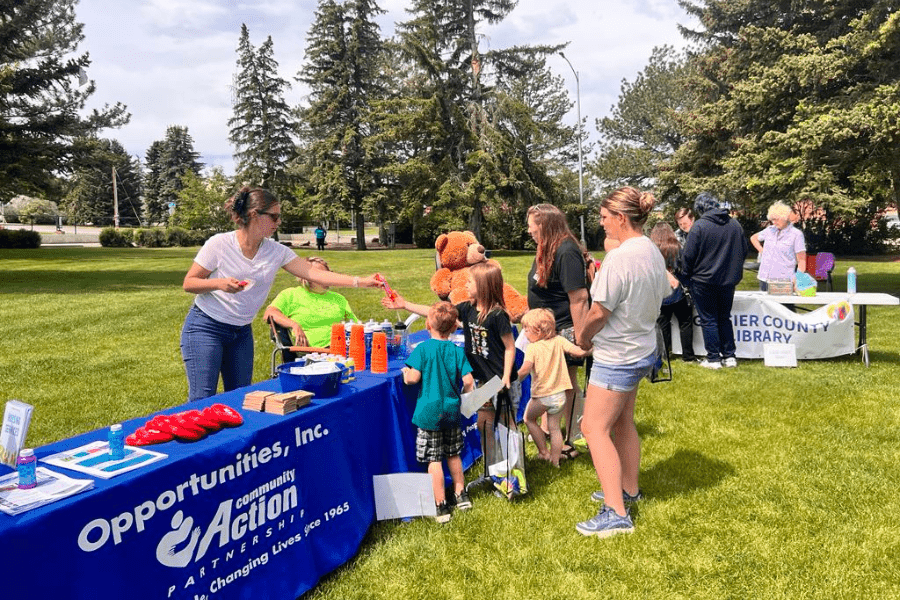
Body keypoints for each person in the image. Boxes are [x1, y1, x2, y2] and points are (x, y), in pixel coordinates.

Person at [180, 187, 380, 402]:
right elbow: (189, 283)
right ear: (255, 214)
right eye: (274, 216)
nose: (279, 221)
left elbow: (315, 274)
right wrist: (220, 283)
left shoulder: (276, 251)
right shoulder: (219, 244)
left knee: (239, 398)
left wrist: (361, 281)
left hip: (241, 332)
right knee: (203, 398)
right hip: (206, 326)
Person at [574, 186, 670, 538]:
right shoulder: (650, 250)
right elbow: (664, 293)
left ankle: (616, 513)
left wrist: (582, 338)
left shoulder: (620, 257)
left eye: (603, 218)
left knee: (592, 428)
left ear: (620, 218)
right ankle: (628, 490)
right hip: (641, 349)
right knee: (622, 423)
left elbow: (599, 311)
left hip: (617, 355)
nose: (602, 225)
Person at [382, 261, 521, 489]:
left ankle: (513, 473)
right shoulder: (466, 309)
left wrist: (506, 377)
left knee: (506, 427)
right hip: (482, 382)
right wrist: (404, 304)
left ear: (484, 286)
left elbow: (509, 347)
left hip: (501, 382)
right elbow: (438, 314)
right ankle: (493, 472)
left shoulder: (498, 316)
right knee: (483, 425)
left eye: (470, 282)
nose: (465, 285)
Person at [525, 204, 590, 459]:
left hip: (563, 329)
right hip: (544, 331)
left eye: (533, 225)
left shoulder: (566, 251)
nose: (529, 230)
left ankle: (575, 436)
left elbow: (579, 298)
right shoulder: (546, 247)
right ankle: (550, 433)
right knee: (546, 384)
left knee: (566, 385)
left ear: (546, 225)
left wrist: (581, 335)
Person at [401, 301, 475, 523]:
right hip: (452, 411)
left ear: (427, 325)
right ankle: (461, 495)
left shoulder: (422, 349)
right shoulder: (456, 351)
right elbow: (469, 381)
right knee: (453, 454)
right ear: (454, 328)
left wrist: (405, 373)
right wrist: (466, 400)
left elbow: (413, 378)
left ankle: (440, 504)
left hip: (428, 413)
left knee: (434, 459)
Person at [679, 191, 749, 370]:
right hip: (728, 281)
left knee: (709, 319)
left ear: (700, 208)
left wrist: (685, 276)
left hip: (703, 281)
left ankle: (713, 358)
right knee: (724, 317)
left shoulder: (700, 226)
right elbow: (743, 251)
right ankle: (729, 356)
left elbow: (688, 256)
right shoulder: (735, 225)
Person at [516, 308, 591, 467]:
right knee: (555, 428)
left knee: (528, 419)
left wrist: (512, 379)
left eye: (526, 330)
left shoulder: (533, 348)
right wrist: (591, 349)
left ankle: (544, 452)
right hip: (560, 396)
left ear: (537, 330)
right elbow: (577, 351)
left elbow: (524, 369)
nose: (525, 333)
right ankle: (555, 460)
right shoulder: (559, 340)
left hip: (542, 396)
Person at [263, 256, 358, 349]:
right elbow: (269, 313)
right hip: (311, 352)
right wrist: (294, 325)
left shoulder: (338, 298)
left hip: (342, 348)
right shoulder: (291, 295)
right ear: (305, 277)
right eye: (320, 275)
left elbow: (356, 325)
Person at [649, 223, 696, 362]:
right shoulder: (678, 248)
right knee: (685, 323)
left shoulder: (652, 251)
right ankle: (688, 356)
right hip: (680, 292)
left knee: (663, 324)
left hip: (661, 294)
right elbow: (685, 270)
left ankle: (664, 355)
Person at [750, 201, 806, 292]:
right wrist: (762, 250)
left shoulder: (796, 234)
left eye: (776, 219)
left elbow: (802, 260)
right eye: (772, 220)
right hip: (764, 278)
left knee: (784, 306)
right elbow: (754, 238)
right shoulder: (769, 230)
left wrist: (798, 280)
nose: (774, 222)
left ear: (784, 217)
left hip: (784, 280)